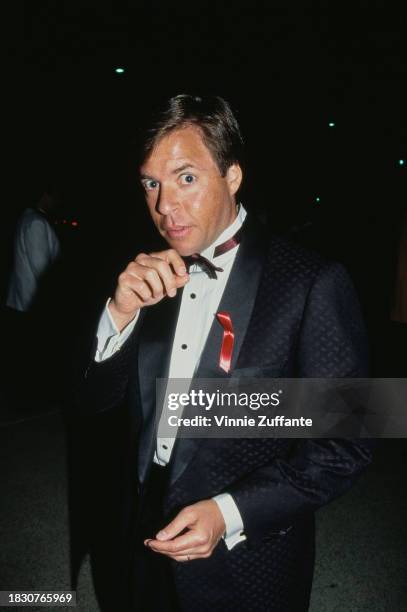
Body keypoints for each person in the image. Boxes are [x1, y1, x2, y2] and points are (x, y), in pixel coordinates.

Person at [73, 95, 373, 612]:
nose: (165, 205)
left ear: (232, 176)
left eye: (186, 177)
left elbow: (344, 446)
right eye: (151, 183)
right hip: (139, 543)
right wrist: (118, 316)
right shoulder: (146, 274)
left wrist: (230, 512)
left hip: (247, 563)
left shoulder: (311, 283)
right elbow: (94, 402)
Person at [6, 190, 61, 312]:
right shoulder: (36, 223)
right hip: (29, 304)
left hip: (21, 301)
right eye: (54, 198)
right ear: (45, 196)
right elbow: (42, 269)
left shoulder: (27, 218)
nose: (55, 202)